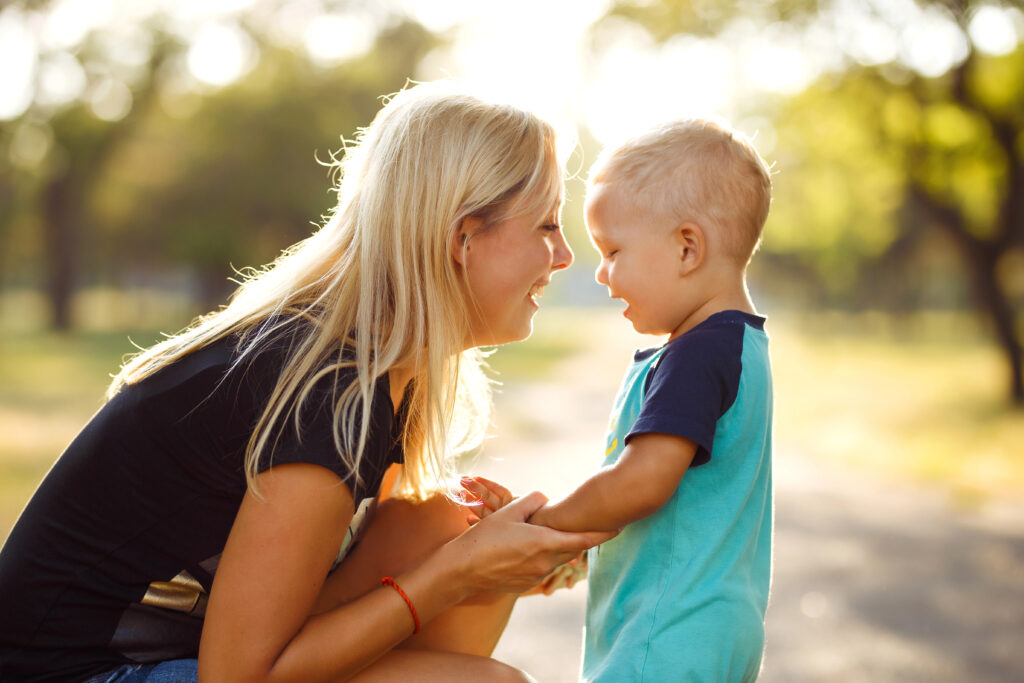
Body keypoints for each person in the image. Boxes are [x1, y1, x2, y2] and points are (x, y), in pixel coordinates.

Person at [0, 82, 617, 683]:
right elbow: (240, 674)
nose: (564, 256)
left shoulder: (380, 371)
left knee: (448, 523)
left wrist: (487, 558)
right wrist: (455, 573)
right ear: (463, 238)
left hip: (178, 655)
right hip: (76, 672)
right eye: (546, 225)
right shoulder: (323, 388)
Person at [465, 117, 774, 681]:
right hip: (703, 623)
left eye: (613, 251)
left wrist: (542, 525)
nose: (602, 275)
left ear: (687, 248)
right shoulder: (733, 346)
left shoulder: (697, 354)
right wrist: (576, 554)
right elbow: (688, 511)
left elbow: (640, 483)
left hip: (668, 630)